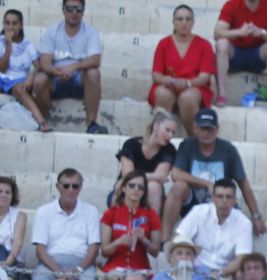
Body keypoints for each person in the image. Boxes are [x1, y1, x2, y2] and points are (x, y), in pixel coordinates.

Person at [163, 107, 265, 240]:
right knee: (179, 186)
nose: (206, 132)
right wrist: (206, 184)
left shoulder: (228, 150)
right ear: (194, 128)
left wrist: (256, 215)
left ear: (217, 129)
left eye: (209, 128)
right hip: (193, 204)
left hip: (221, 202)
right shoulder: (187, 145)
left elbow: (243, 183)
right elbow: (175, 174)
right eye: (202, 128)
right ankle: (164, 239)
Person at [31, 0, 106, 134]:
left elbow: (96, 60)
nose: (74, 13)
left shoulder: (90, 32)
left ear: (83, 10)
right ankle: (43, 121)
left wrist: (73, 67)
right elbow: (45, 61)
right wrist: (56, 72)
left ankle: (92, 124)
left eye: (78, 9)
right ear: (63, 10)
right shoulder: (52, 31)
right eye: (70, 9)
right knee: (39, 79)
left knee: (93, 73)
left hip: (79, 79)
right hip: (55, 79)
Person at [32, 168, 98, 280]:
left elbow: (94, 248)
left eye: (75, 186)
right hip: (51, 262)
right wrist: (59, 272)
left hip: (82, 263)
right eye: (66, 186)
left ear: (81, 187)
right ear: (58, 187)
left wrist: (78, 270)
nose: (70, 190)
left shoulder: (91, 211)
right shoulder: (44, 211)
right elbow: (40, 251)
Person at [149, 5, 217, 135]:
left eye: (188, 19)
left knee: (188, 98)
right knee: (163, 94)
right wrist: (169, 80)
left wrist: (188, 83)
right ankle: (160, 137)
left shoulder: (204, 45)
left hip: (195, 87)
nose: (184, 23)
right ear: (173, 22)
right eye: (180, 19)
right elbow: (156, 75)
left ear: (193, 22)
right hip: (168, 85)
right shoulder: (164, 44)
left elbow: (204, 77)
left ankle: (194, 140)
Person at [174, 178, 254, 280]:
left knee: (238, 276)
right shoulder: (198, 212)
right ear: (213, 198)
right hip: (193, 270)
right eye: (220, 196)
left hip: (224, 273)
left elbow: (242, 258)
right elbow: (179, 239)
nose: (224, 201)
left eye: (228, 197)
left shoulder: (244, 223)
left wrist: (218, 274)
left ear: (235, 200)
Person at [214, 0, 267, 107]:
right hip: (235, 54)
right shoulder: (232, 4)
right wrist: (239, 32)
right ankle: (222, 95)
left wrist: (261, 32)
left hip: (258, 55)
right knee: (221, 44)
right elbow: (217, 33)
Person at [116, 111, 180, 221]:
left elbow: (160, 176)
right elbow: (127, 175)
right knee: (132, 186)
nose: (170, 136)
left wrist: (132, 177)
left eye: (173, 133)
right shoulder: (131, 144)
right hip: (125, 190)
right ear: (156, 126)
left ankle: (153, 228)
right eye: (167, 130)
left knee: (154, 186)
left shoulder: (169, 150)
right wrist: (130, 178)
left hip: (151, 194)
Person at [100, 173, 161, 274]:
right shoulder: (111, 213)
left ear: (144, 192)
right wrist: (118, 242)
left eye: (140, 187)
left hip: (141, 269)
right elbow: (104, 252)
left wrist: (144, 239)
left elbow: (155, 252)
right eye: (132, 186)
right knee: (118, 279)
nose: (136, 189)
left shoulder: (151, 215)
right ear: (124, 188)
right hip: (115, 268)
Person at [0, 11, 50, 132]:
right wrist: (9, 46)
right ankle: (42, 121)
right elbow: (2, 68)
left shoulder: (28, 45)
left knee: (20, 89)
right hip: (3, 78)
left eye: (14, 23)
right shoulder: (1, 42)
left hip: (20, 81)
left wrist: (31, 77)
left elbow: (39, 67)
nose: (10, 27)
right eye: (7, 23)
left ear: (21, 25)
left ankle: (42, 121)